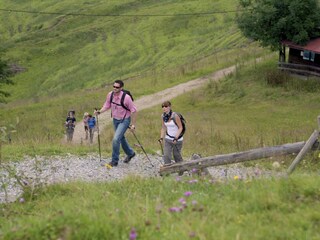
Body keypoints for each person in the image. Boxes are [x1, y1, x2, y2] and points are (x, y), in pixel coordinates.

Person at [95, 80, 137, 167]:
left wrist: (133, 124)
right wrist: (99, 111)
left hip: (124, 120)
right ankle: (131, 153)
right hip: (115, 120)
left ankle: (114, 161)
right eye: (114, 86)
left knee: (115, 139)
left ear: (121, 88)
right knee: (121, 138)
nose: (115, 88)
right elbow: (107, 105)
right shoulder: (110, 95)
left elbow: (134, 111)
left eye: (117, 87)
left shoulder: (126, 98)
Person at [159, 101, 183, 165]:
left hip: (177, 139)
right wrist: (161, 138)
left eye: (166, 106)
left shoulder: (175, 116)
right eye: (163, 107)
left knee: (176, 156)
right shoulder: (163, 116)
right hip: (168, 139)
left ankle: (181, 169)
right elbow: (163, 127)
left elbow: (180, 127)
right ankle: (167, 172)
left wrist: (176, 138)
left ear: (169, 107)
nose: (164, 108)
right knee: (166, 156)